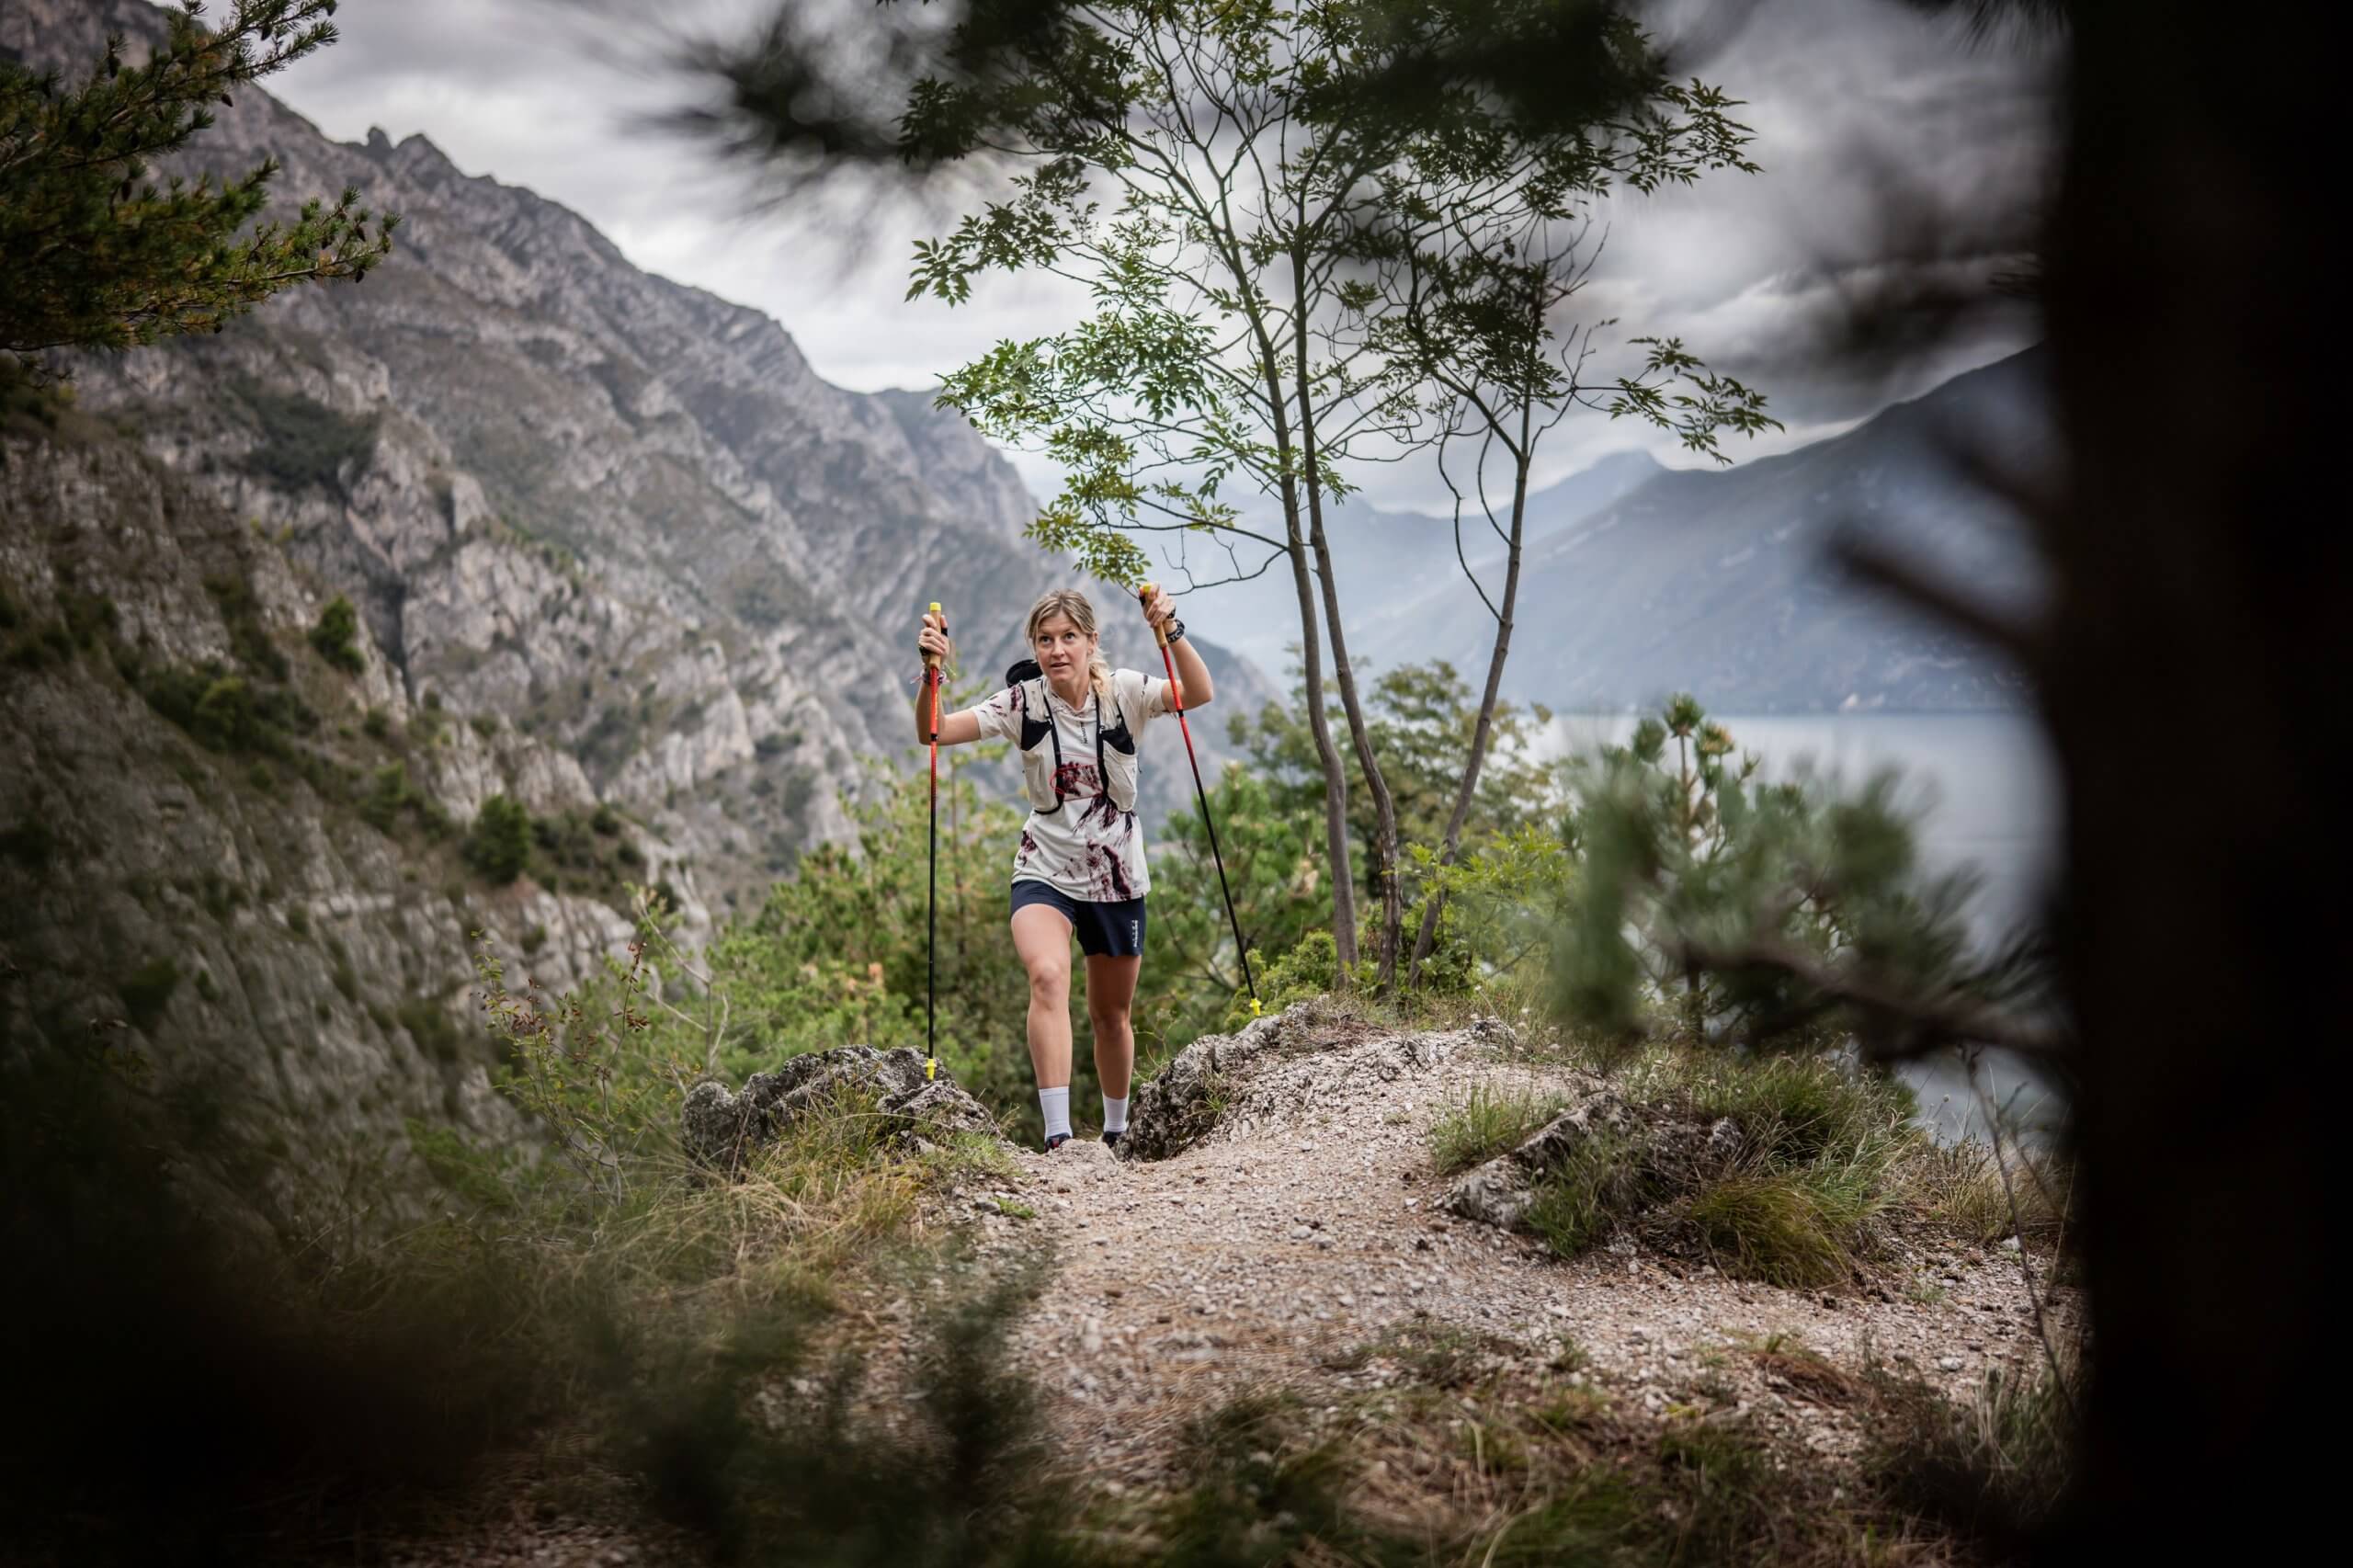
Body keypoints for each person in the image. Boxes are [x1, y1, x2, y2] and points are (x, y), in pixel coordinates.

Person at [915, 585, 1212, 1150]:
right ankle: (1058, 1138)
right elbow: (934, 731)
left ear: (1091, 641)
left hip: (1116, 877)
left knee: (1111, 1016)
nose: (1057, 650)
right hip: (1043, 869)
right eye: (1045, 640)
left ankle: (1117, 1134)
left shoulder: (1126, 692)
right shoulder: (1021, 703)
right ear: (1034, 646)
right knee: (1048, 976)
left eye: (1068, 637)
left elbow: (1197, 693)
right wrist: (934, 674)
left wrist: (1171, 631)